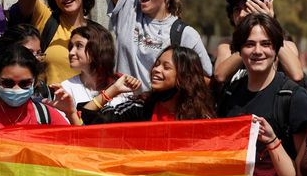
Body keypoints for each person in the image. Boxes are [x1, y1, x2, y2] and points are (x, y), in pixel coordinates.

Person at [217, 13, 307, 176]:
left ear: (276, 49)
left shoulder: (294, 96)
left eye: (266, 44)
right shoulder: (229, 93)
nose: (258, 51)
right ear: (239, 50)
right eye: (249, 44)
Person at [76, 45, 215, 124]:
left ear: (184, 77)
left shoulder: (201, 119)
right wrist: (113, 90)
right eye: (157, 64)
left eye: (166, 67)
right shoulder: (141, 108)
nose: (156, 70)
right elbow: (86, 118)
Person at [0, 45, 69, 132]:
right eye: (7, 82)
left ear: (35, 81)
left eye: (24, 83)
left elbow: (77, 149)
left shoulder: (47, 116)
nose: (16, 89)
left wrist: (71, 113)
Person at [214, 0, 304, 86]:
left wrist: (269, 24)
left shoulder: (286, 45)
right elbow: (220, 76)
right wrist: (245, 42)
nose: (242, 14)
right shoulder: (227, 45)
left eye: (248, 7)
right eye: (237, 9)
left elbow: (297, 75)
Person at [58, 22, 130, 109]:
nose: (71, 52)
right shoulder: (67, 87)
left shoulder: (122, 85)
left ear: (97, 48)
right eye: (71, 47)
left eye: (79, 46)